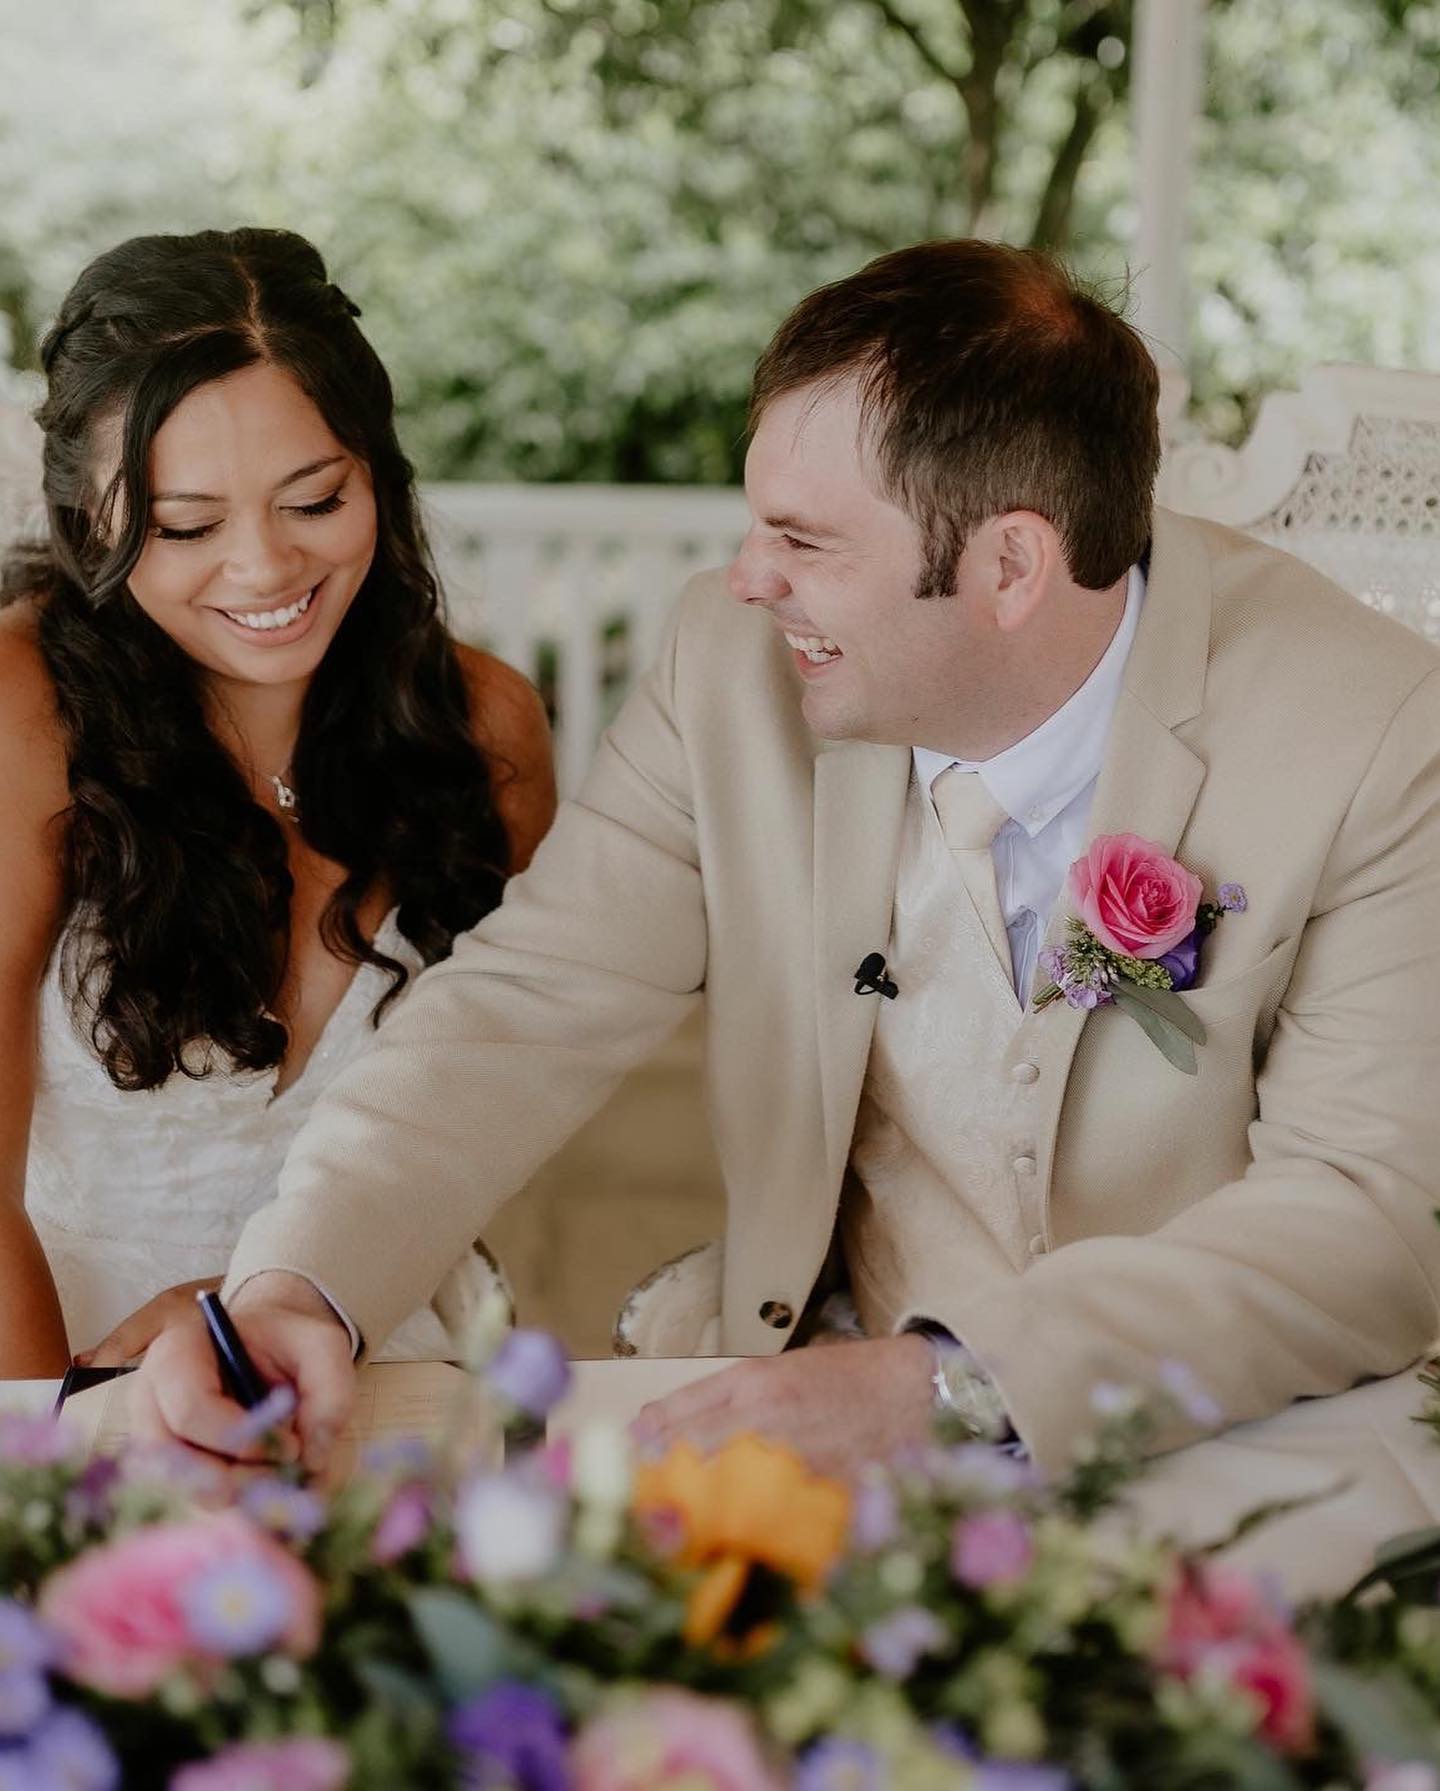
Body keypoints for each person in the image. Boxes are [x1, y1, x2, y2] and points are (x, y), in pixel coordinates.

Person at [137, 239, 1440, 1481]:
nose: (747, 579)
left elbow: (1368, 1215)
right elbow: (524, 1001)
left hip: (1227, 1442)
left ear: (1011, 564)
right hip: (825, 1389)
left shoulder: (1379, 735)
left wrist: (949, 1388)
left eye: (804, 541)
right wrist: (297, 1284)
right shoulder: (730, 668)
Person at [0, 227, 554, 1378]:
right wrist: (65, 1451)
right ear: (88, 518)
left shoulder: (484, 726)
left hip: (384, 1367)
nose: (263, 569)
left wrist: (277, 1296)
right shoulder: (24, 709)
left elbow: (487, 1119)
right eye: (185, 525)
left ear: (377, 473)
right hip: (62, 1376)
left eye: (314, 500)